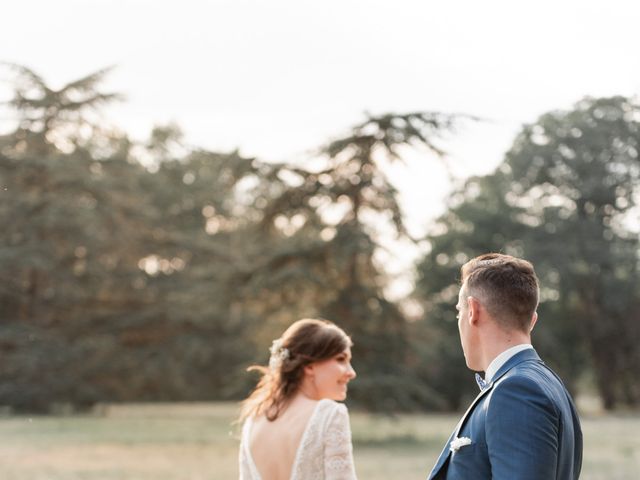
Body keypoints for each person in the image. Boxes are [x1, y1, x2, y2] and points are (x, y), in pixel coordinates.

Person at [428, 253, 583, 480]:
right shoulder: (547, 381)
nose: (459, 321)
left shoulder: (516, 391)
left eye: (458, 312)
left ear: (473, 311)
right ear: (532, 320)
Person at [238, 318, 358, 480]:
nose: (351, 372)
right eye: (341, 359)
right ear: (309, 366)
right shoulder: (329, 414)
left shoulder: (254, 419)